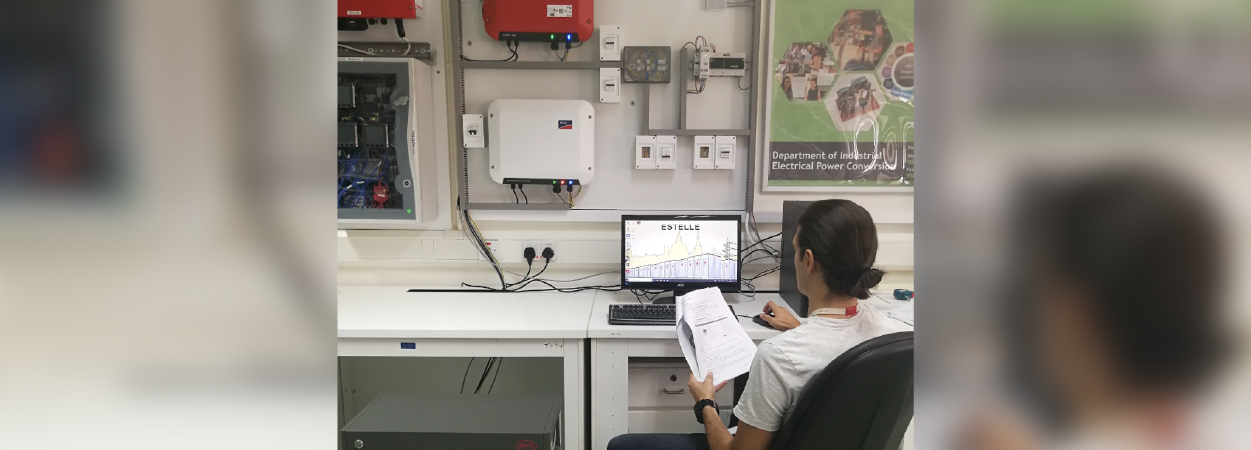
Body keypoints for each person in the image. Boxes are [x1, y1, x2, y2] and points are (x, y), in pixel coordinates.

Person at [607, 199, 907, 450]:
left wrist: (705, 404)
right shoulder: (898, 337)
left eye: (793, 249)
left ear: (808, 260)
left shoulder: (779, 356)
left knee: (620, 445)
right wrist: (801, 329)